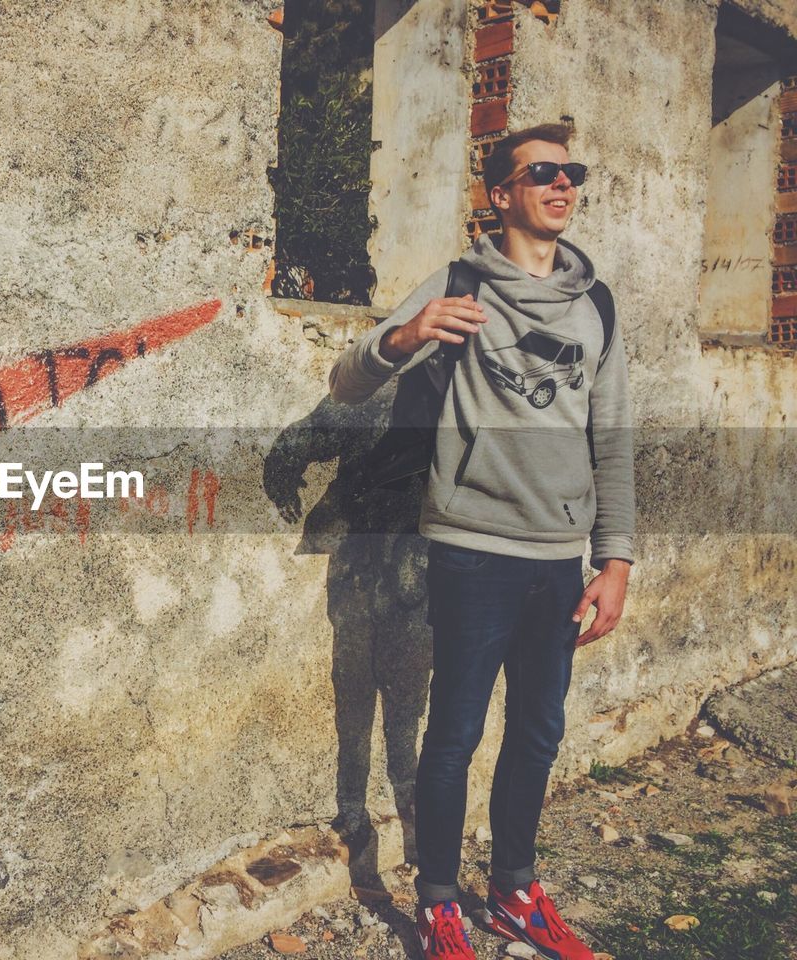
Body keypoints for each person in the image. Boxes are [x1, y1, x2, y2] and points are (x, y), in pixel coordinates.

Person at [327, 123, 635, 960]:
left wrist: (616, 558)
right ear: (500, 194)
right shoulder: (460, 283)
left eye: (572, 171)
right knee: (453, 731)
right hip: (472, 545)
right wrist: (409, 333)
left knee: (538, 730)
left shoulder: (594, 302)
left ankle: (512, 891)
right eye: (542, 173)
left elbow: (611, 438)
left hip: (559, 556)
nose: (562, 184)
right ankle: (436, 901)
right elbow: (348, 380)